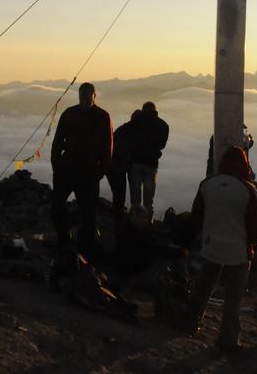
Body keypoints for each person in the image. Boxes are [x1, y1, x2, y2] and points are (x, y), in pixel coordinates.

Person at [188, 146, 257, 351]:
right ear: (244, 164)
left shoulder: (207, 185)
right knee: (233, 297)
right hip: (237, 252)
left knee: (204, 286)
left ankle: (191, 322)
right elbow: (256, 226)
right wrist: (254, 241)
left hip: (211, 245)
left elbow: (196, 217)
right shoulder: (247, 189)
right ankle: (228, 340)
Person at [50, 82, 113, 256]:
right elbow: (57, 143)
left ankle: (85, 248)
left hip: (88, 172)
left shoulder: (102, 117)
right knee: (57, 208)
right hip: (67, 170)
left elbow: (107, 148)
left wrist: (98, 174)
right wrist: (57, 167)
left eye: (87, 97)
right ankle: (65, 241)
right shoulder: (69, 114)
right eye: (82, 97)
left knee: (89, 215)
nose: (85, 100)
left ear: (94, 96)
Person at [128, 101, 169, 221]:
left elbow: (128, 137)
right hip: (151, 164)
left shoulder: (136, 122)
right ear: (155, 111)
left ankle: (134, 223)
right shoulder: (163, 125)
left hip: (135, 163)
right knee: (148, 200)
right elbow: (162, 145)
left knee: (135, 200)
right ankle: (148, 224)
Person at [108, 109, 141, 222]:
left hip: (110, 165)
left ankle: (117, 217)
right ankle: (118, 220)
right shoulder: (135, 132)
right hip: (118, 167)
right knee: (119, 195)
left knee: (118, 194)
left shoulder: (123, 128)